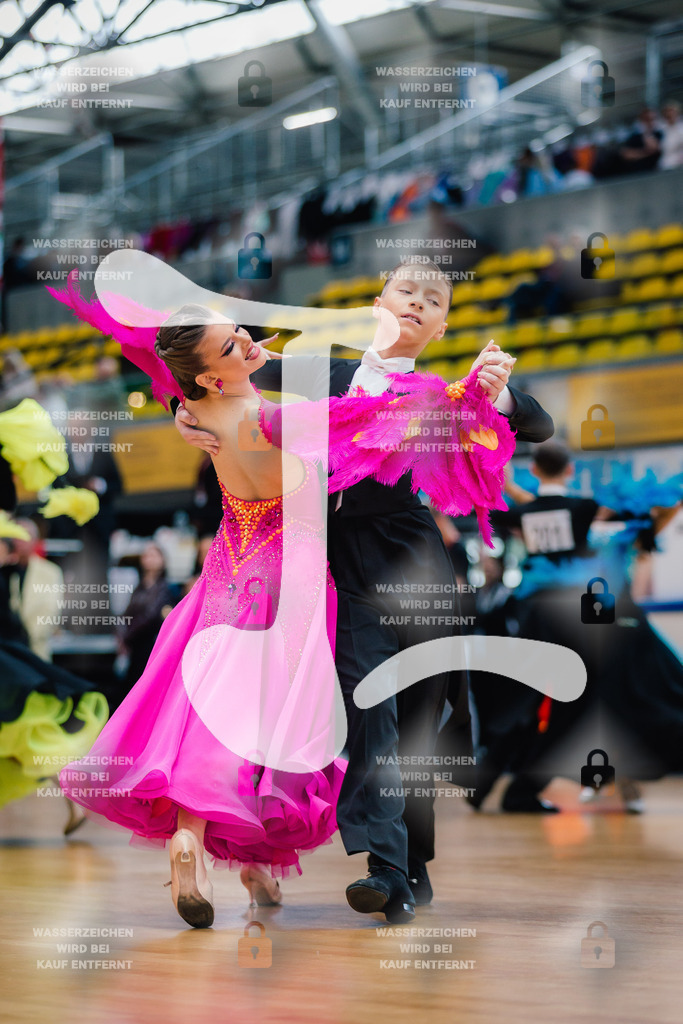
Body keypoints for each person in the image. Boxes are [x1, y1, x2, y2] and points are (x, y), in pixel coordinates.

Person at [175, 257, 554, 922]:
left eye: (430, 300)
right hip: (340, 564)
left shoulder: (441, 395)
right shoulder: (316, 369)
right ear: (378, 302)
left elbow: (538, 425)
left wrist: (497, 394)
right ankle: (383, 867)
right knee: (369, 707)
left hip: (416, 564)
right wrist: (192, 416)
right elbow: (228, 384)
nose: (415, 303)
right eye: (405, 290)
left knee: (415, 721)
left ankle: (410, 863)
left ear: (439, 327)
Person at [58, 304, 346, 929]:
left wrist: (182, 406)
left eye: (241, 332)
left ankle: (200, 840)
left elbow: (173, 376)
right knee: (272, 717)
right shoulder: (276, 417)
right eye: (232, 345)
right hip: (289, 574)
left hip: (227, 568)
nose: (248, 342)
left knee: (206, 708)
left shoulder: (203, 410)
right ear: (211, 376)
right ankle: (257, 859)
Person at [116, 542, 178, 699]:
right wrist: (121, 636)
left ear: (162, 560)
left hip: (151, 645)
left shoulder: (166, 588)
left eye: (153, 555)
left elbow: (152, 616)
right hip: (135, 646)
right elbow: (125, 614)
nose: (148, 559)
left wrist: (129, 636)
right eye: (146, 555)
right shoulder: (139, 587)